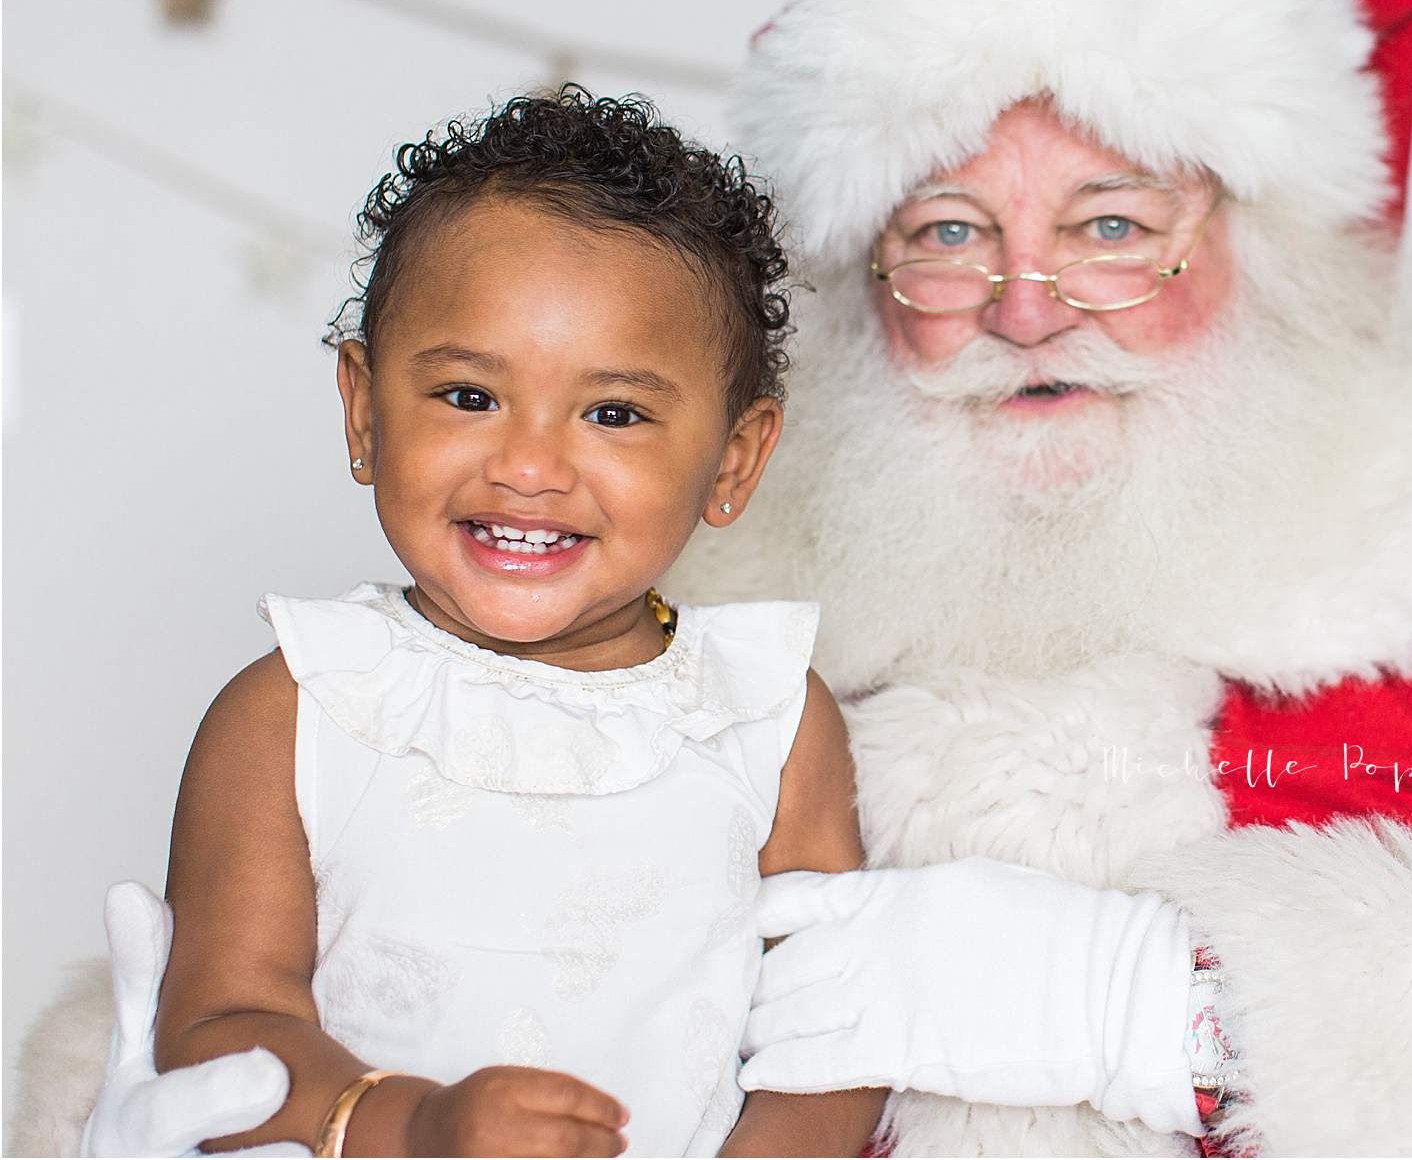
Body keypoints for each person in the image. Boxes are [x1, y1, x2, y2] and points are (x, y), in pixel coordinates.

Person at [10, 0, 1412, 1158]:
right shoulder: (665, 565)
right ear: (848, 287)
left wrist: (1168, 1007)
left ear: (1279, 251)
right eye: (949, 234)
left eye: (1119, 228)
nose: (1029, 302)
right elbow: (367, 962)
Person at [89, 89, 885, 1157]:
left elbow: (825, 1043)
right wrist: (413, 1125)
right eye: (468, 395)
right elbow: (223, 1024)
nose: (527, 467)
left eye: (613, 413)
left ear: (732, 461)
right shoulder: (299, 707)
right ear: (365, 410)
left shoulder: (768, 719)